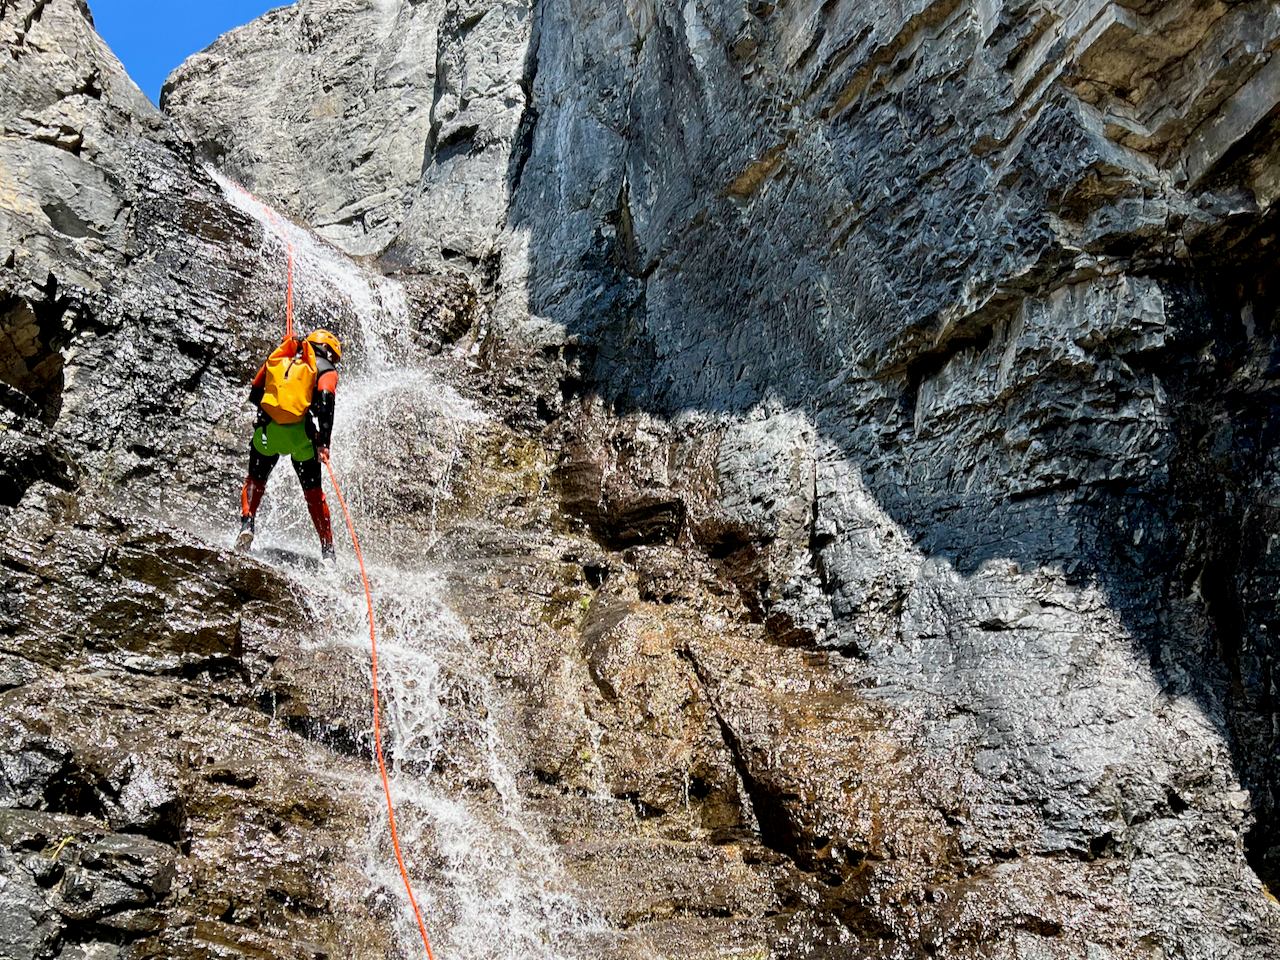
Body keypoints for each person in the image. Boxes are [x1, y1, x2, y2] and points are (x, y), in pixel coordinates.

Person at [236, 329, 342, 561]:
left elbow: (255, 393)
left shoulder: (281, 358)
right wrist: (324, 443)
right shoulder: (326, 369)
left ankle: (247, 524)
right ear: (331, 353)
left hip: (268, 433)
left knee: (255, 479)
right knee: (314, 493)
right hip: (300, 437)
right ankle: (327, 551)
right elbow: (326, 402)